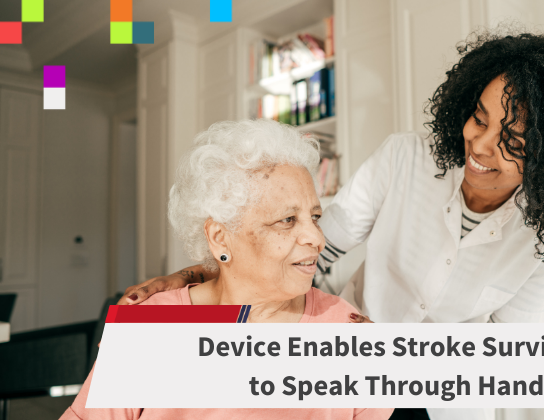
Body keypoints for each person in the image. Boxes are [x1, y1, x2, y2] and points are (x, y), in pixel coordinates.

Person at [119, 24, 544, 420]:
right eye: (477, 118)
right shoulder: (406, 159)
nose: (479, 146)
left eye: (511, 142)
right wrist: (213, 276)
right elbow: (319, 249)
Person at [61, 120, 394, 420]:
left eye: (315, 217)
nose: (317, 239)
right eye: (287, 220)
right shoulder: (153, 323)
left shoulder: (346, 329)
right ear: (220, 238)